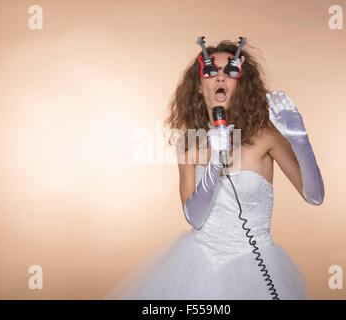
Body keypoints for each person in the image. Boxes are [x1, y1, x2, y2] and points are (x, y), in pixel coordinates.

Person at [103, 38, 325, 300]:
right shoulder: (188, 144)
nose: (220, 78)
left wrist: (300, 139)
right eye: (210, 72)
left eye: (230, 72)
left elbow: (315, 196)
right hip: (198, 263)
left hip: (254, 266)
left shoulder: (266, 136)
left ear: (241, 84)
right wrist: (214, 164)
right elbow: (195, 218)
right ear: (198, 86)